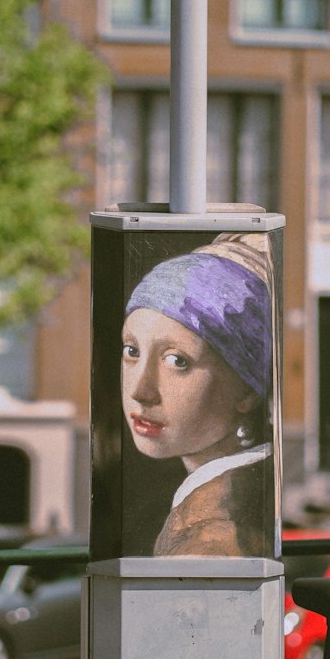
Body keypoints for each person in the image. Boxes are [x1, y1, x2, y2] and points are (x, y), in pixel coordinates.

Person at [120, 233, 275, 557]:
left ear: (248, 388)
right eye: (132, 351)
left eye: (177, 360)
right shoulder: (219, 498)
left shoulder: (210, 539)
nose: (141, 391)